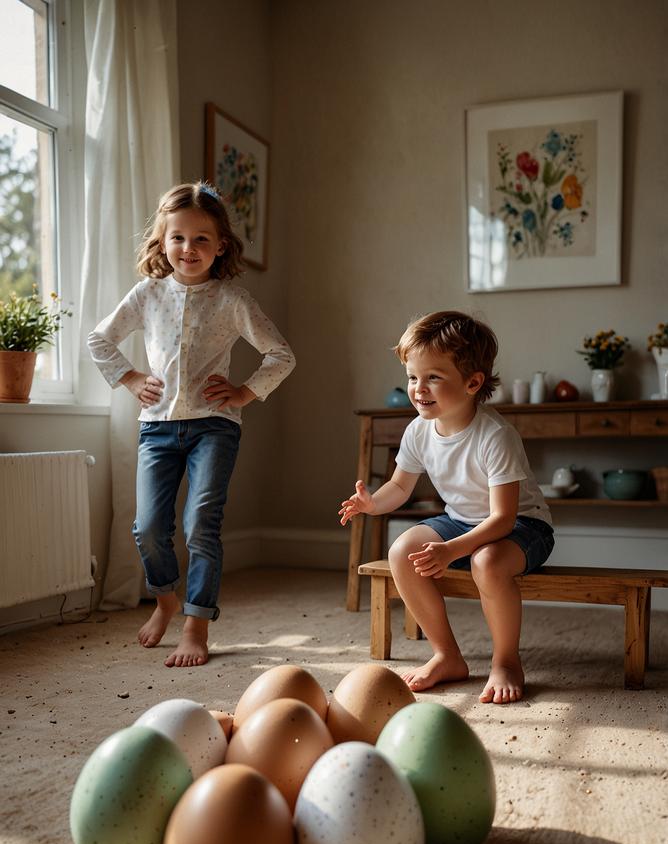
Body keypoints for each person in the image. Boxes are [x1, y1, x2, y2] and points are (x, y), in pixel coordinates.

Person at [88, 181, 295, 668]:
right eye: (177, 237)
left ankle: (196, 625)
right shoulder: (147, 294)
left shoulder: (232, 299)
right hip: (157, 428)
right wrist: (130, 378)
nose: (188, 248)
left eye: (201, 238)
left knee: (201, 523)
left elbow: (281, 355)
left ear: (220, 245)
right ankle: (165, 600)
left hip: (214, 426)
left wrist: (244, 392)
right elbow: (100, 339)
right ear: (162, 241)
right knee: (148, 527)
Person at [339, 311, 553, 704]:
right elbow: (400, 486)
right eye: (412, 377)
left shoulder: (495, 436)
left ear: (473, 383)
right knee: (401, 551)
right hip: (461, 521)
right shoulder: (418, 430)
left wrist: (452, 549)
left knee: (486, 563)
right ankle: (446, 655)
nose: (419, 389)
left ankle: (506, 660)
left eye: (433, 377)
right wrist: (372, 503)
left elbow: (503, 519)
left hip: (523, 527)